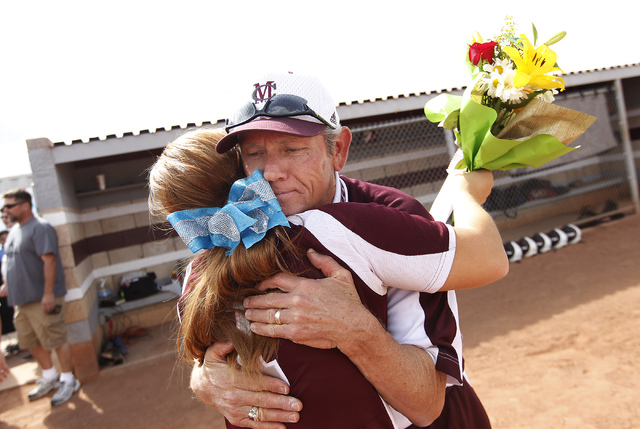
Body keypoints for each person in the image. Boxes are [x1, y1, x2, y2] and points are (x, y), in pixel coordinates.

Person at [188, 72, 508, 428]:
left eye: (292, 149)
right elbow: (208, 341)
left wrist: (353, 327)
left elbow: (426, 402)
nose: (271, 172)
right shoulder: (231, 231)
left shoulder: (392, 219)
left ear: (337, 149)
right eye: (254, 153)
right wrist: (205, 378)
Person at [0, 189, 81, 406]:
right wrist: (8, 285)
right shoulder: (15, 231)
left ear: (25, 205)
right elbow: (14, 261)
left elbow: (49, 261)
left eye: (9, 206)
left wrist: (48, 294)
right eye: (4, 207)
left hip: (41, 298)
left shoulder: (40, 228)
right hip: (21, 301)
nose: (5, 210)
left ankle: (68, 379)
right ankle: (50, 377)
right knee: (31, 341)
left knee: (55, 337)